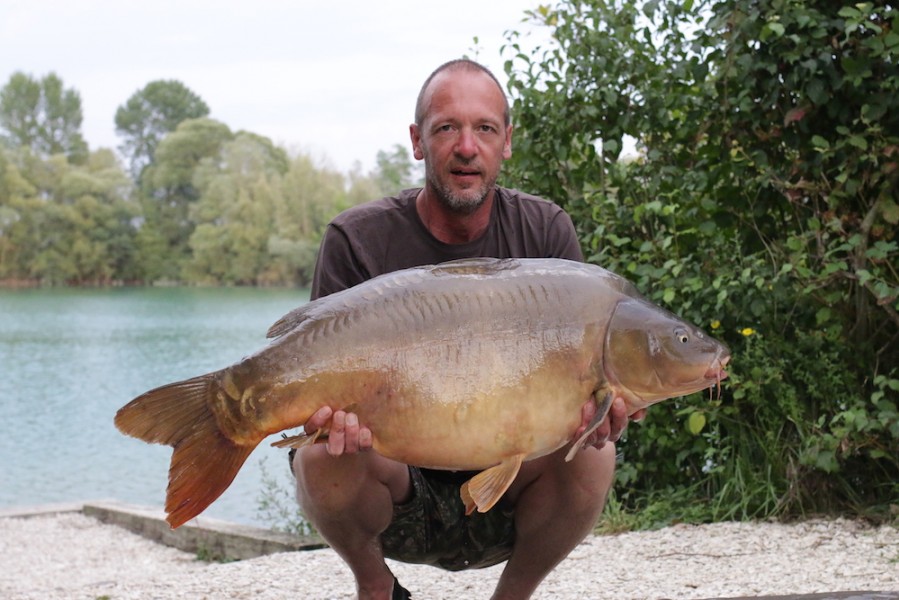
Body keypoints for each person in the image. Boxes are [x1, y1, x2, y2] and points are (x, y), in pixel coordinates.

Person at [291, 58, 645, 600]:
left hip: (512, 488)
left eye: (484, 128)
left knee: (595, 453)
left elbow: (584, 388)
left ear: (506, 141)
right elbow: (317, 376)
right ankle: (376, 586)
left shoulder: (545, 232)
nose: (465, 146)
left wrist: (598, 413)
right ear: (417, 140)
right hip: (395, 485)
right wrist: (325, 416)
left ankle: (514, 595)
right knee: (320, 452)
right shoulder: (357, 239)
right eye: (446, 127)